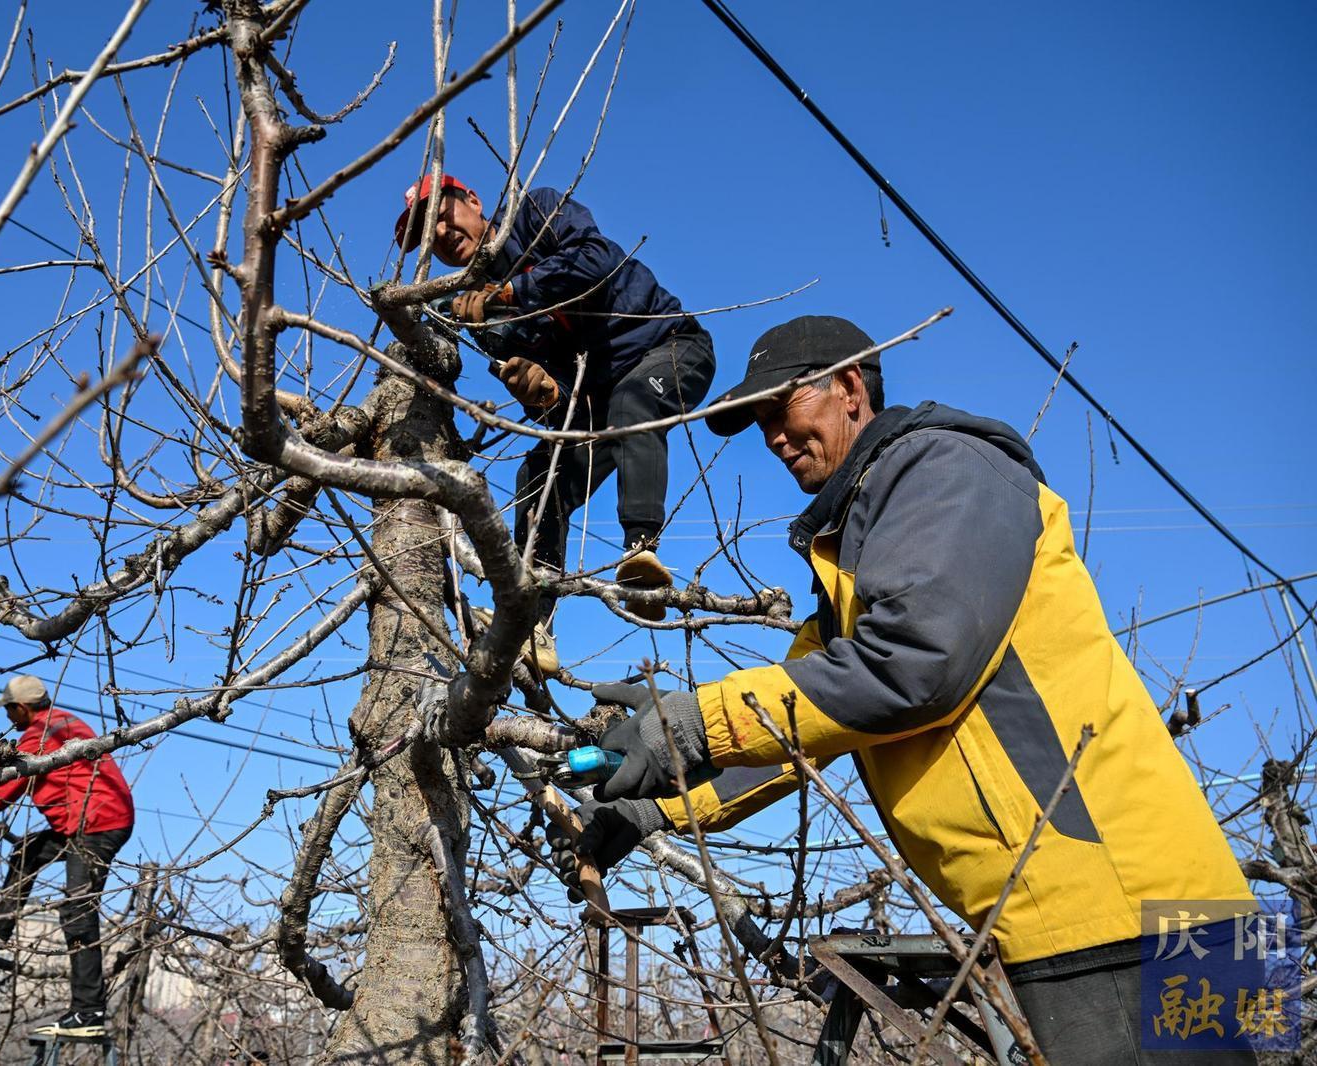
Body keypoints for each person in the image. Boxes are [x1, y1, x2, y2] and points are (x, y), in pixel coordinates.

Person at [562, 316, 1258, 1063]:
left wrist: (696, 720)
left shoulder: (945, 468)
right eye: (759, 421)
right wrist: (652, 807)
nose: (772, 436)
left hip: (1135, 909)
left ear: (850, 387)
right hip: (1116, 909)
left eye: (782, 409)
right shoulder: (859, 564)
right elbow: (796, 729)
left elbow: (915, 664)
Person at [395, 174, 717, 668]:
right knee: (538, 474)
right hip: (596, 399)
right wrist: (541, 391)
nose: (438, 232)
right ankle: (533, 627)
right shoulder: (477, 309)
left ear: (473, 200)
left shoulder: (535, 210)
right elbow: (558, 407)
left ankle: (640, 556)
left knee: (634, 402)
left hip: (670, 346)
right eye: (425, 234)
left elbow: (596, 259)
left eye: (441, 213)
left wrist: (509, 293)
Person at [0, 675, 134, 1040]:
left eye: (8, 709)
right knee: (27, 853)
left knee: (77, 911)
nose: (7, 716)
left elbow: (5, 787)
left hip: (96, 822)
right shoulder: (56, 725)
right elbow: (17, 767)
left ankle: (89, 1012)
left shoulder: (43, 733)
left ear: (22, 707)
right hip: (84, 819)